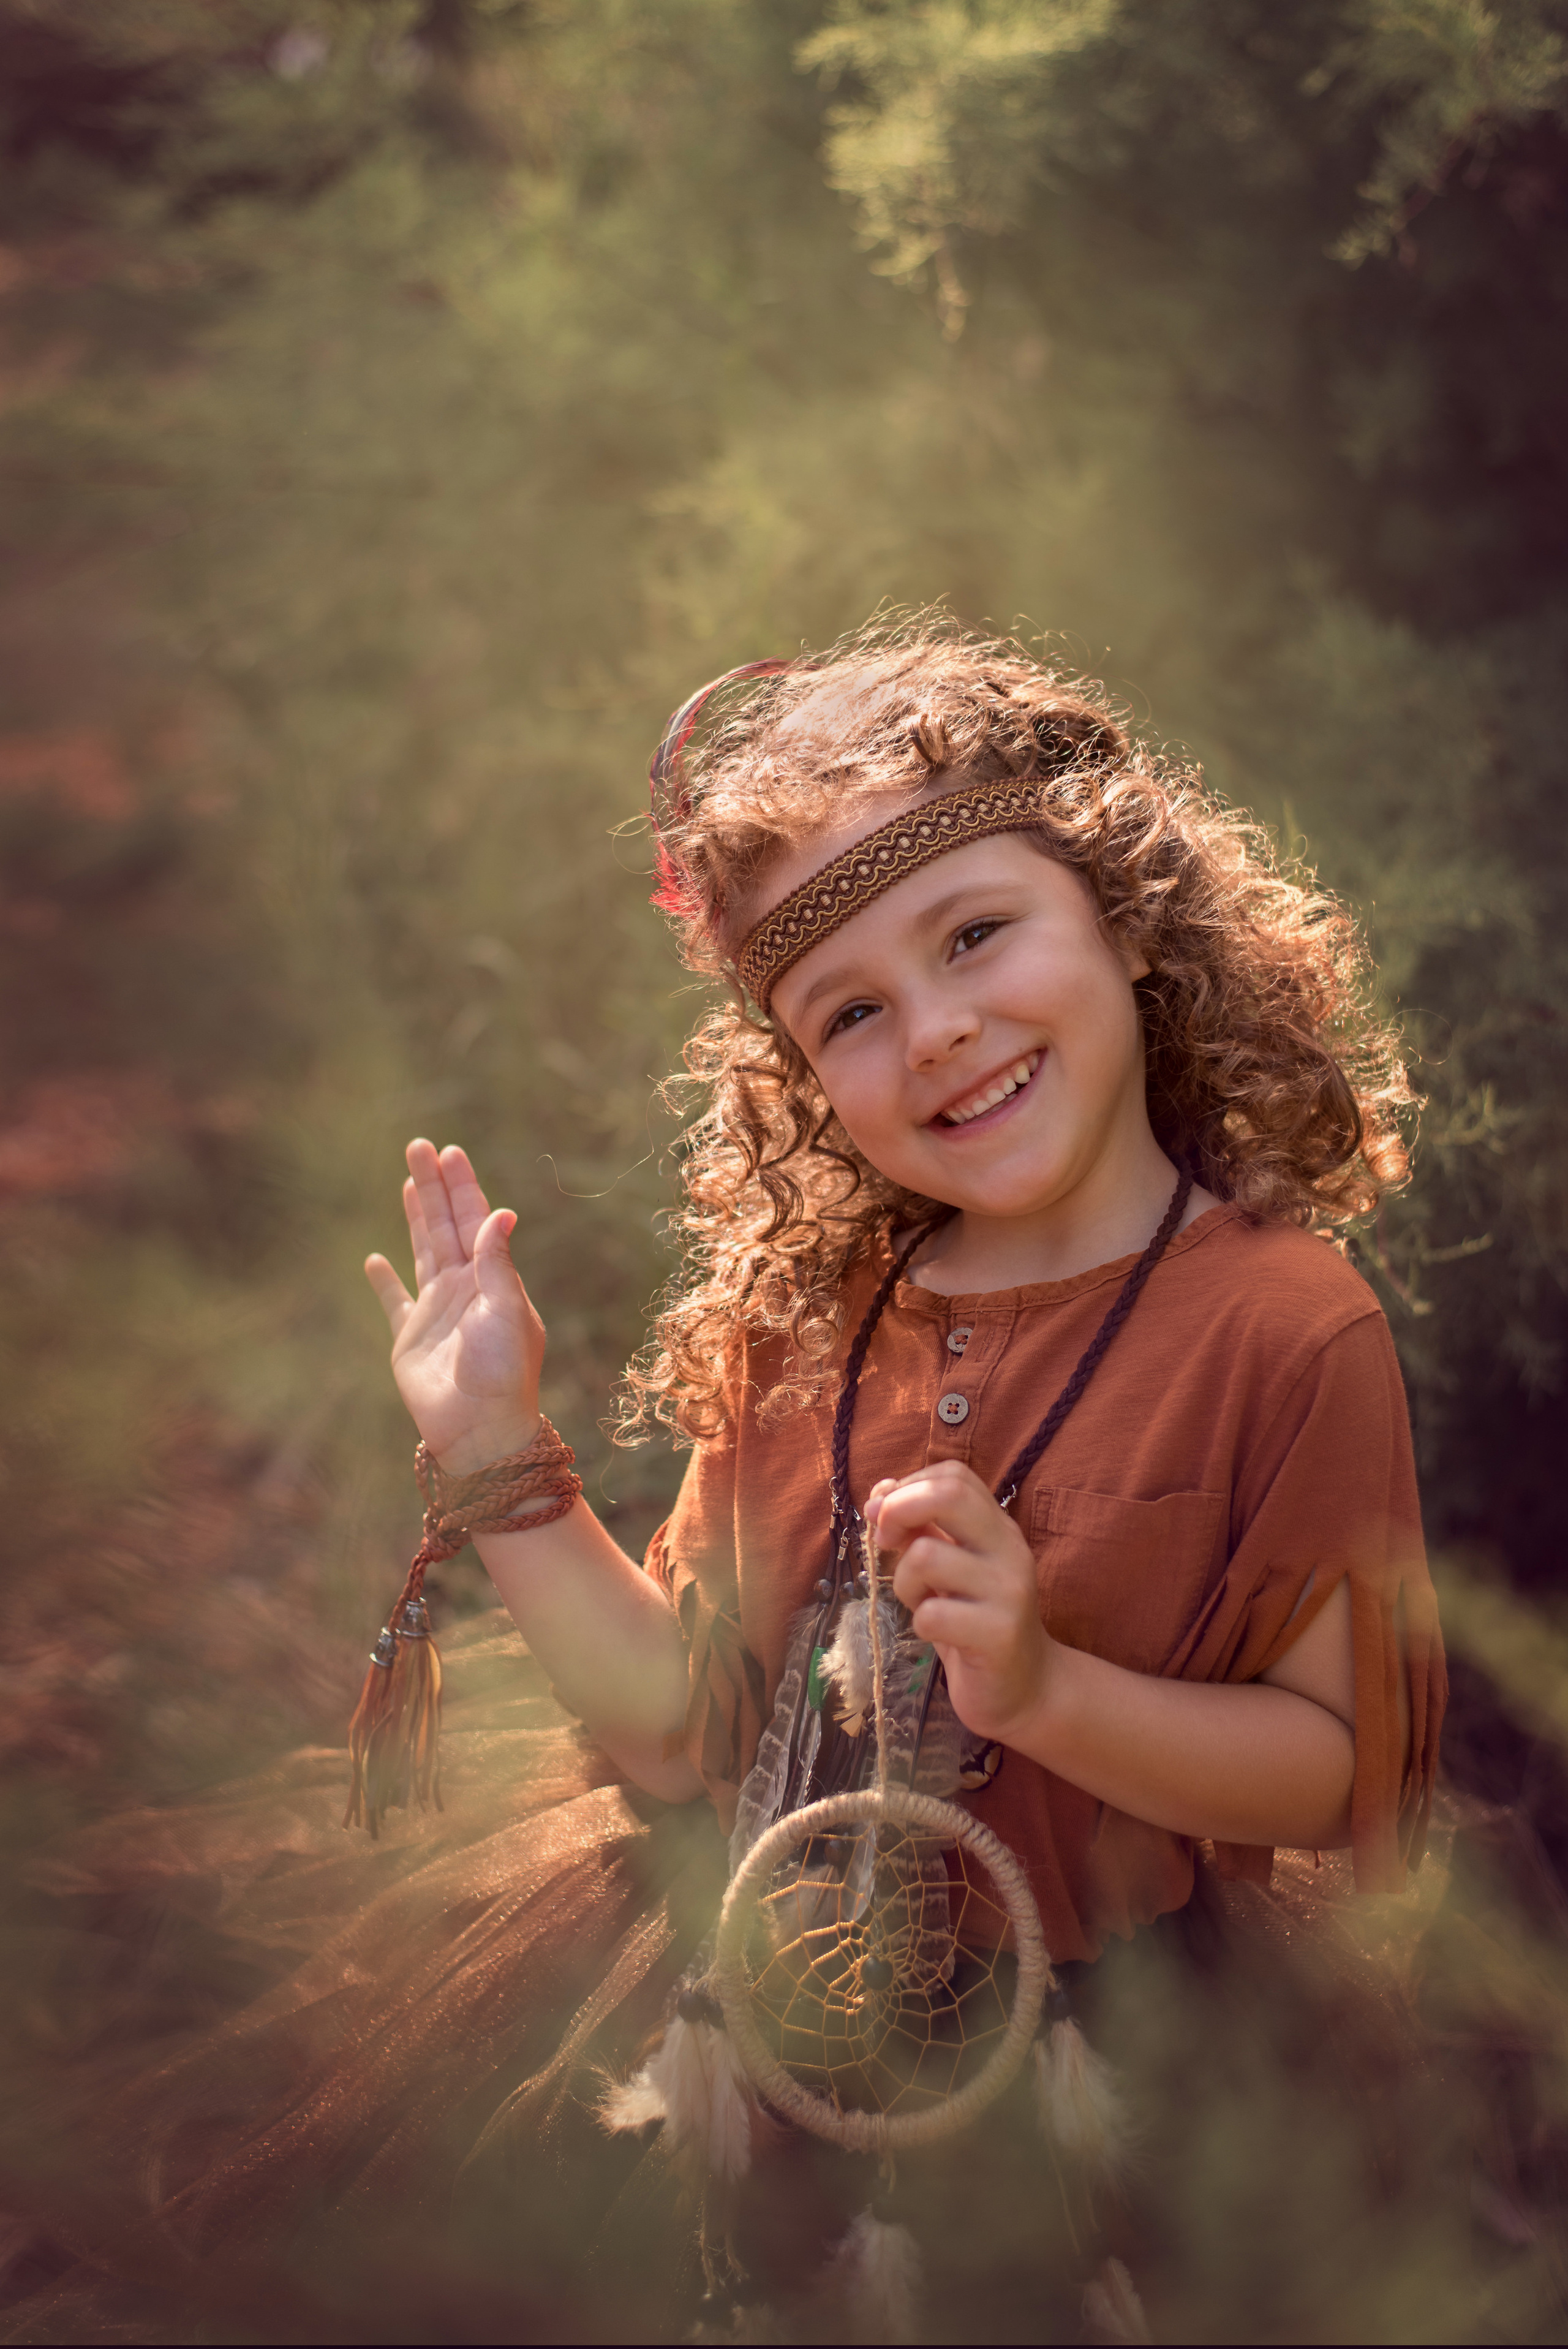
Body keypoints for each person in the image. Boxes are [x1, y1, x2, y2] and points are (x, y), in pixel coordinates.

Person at [6, 623, 1453, 2345]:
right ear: (801, 1080)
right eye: (850, 1010)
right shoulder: (809, 1334)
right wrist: (495, 1456)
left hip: (1114, 2065)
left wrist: (1049, 1689)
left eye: (977, 933)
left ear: (1127, 914)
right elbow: (675, 1738)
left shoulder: (1290, 1329)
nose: (937, 1032)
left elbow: (1347, 1771)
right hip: (741, 2028)